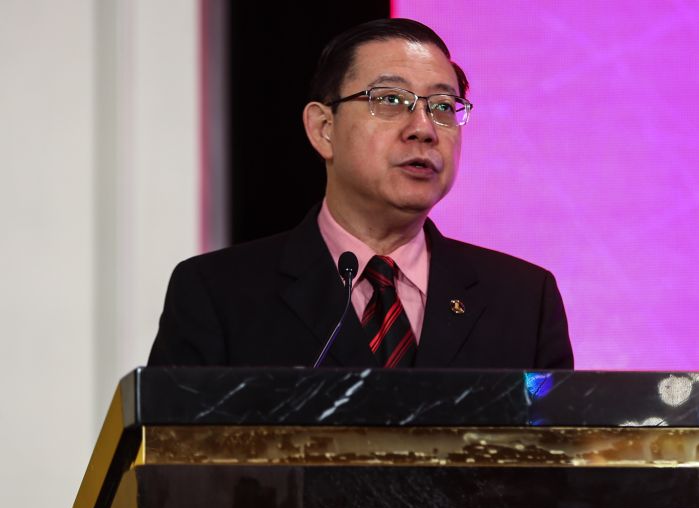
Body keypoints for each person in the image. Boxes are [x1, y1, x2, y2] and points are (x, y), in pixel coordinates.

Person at [148, 18, 573, 369]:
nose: (424, 129)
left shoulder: (523, 301)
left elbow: (554, 468)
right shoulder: (219, 294)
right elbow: (176, 466)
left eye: (443, 106)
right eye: (390, 99)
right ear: (323, 129)